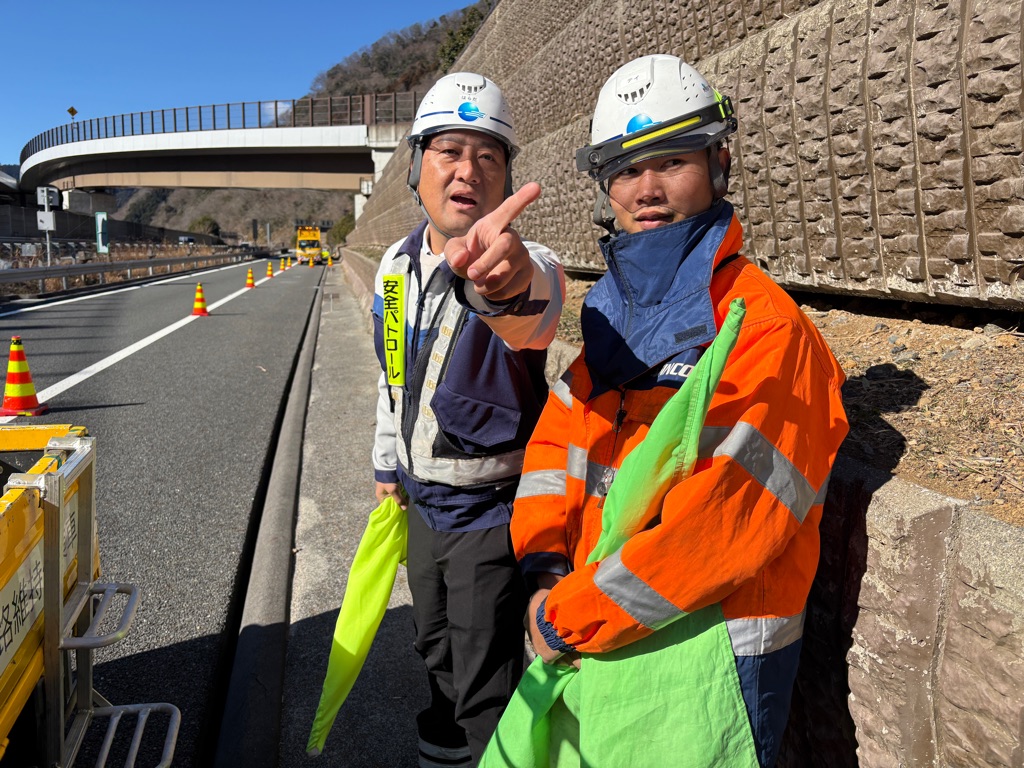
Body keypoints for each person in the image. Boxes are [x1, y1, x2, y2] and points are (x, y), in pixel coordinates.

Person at [510, 54, 848, 767]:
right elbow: (555, 450)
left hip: (710, 660)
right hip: (597, 630)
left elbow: (727, 524)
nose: (648, 190)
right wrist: (544, 569)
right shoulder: (617, 319)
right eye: (627, 169)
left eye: (672, 161)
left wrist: (569, 614)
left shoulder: (765, 328)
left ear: (719, 162)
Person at [370, 72, 565, 768]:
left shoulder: (526, 262)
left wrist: (501, 283)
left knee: (486, 675)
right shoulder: (394, 267)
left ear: (507, 176)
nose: (468, 170)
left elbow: (534, 306)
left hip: (490, 513)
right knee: (432, 643)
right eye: (450, 151)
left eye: (488, 157)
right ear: (417, 166)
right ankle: (447, 748)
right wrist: (387, 463)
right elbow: (392, 376)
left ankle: (492, 754)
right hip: (420, 502)